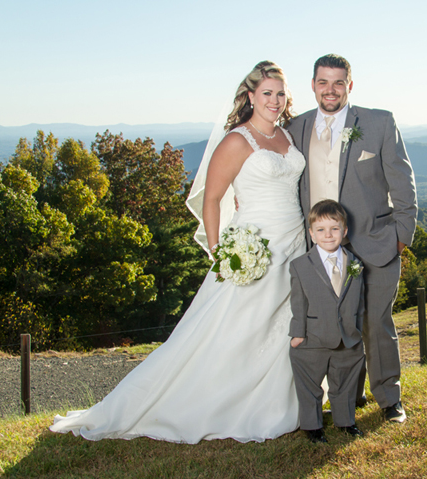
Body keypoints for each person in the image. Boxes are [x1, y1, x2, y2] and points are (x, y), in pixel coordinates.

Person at [49, 61, 306, 443]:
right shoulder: (237, 140)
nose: (275, 100)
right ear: (250, 96)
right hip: (256, 246)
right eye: (266, 93)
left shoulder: (287, 136)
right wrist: (223, 254)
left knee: (281, 325)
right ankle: (203, 402)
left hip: (295, 241)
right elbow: (213, 199)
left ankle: (281, 402)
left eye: (280, 92)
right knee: (234, 330)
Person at [287, 54, 418, 423]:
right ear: (313, 84)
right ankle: (350, 392)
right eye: (323, 82)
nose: (331, 90)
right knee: (338, 323)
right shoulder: (296, 127)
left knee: (377, 323)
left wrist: (400, 237)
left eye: (338, 82)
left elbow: (403, 183)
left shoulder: (378, 122)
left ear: (350, 85)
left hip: (375, 243)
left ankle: (389, 398)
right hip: (321, 250)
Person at [288, 200, 365, 443]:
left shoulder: (355, 263)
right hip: (313, 336)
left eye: (334, 228)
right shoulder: (300, 266)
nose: (328, 235)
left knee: (343, 382)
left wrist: (357, 329)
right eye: (320, 230)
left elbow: (358, 302)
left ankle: (346, 421)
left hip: (347, 337)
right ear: (311, 234)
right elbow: (298, 302)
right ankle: (312, 426)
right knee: (310, 385)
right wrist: (297, 333)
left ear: (344, 231)